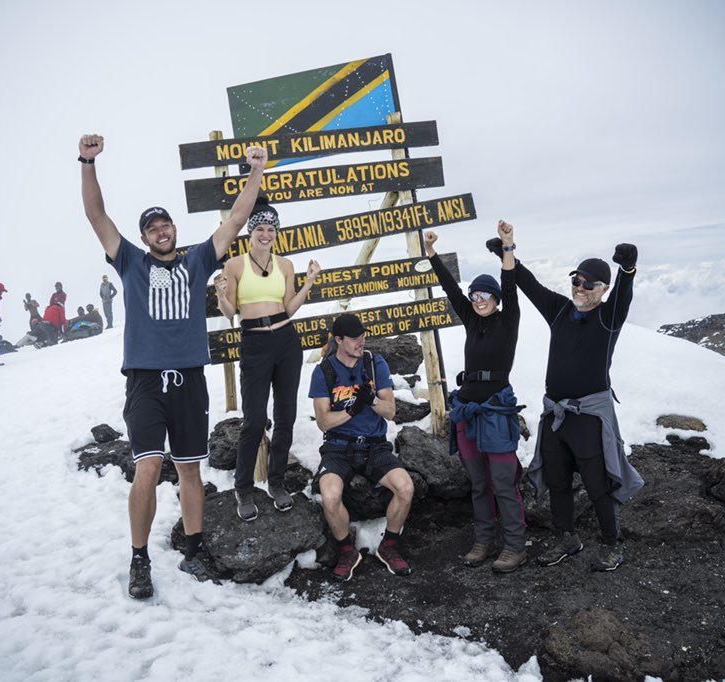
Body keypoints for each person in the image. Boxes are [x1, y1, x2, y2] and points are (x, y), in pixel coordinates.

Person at [79, 132, 267, 599]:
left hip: (189, 381)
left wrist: (256, 171)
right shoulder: (130, 263)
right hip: (145, 381)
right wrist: (87, 162)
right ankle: (139, 559)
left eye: (166, 225)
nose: (161, 231)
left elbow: (238, 217)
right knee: (147, 468)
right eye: (152, 228)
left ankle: (196, 547)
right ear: (144, 238)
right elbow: (96, 215)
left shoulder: (199, 260)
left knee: (189, 471)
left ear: (173, 230)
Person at [518, 240, 644, 572]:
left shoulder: (608, 317)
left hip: (588, 415)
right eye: (577, 280)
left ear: (604, 290)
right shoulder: (560, 309)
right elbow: (528, 284)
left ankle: (611, 544)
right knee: (558, 480)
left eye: (591, 284)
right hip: (556, 414)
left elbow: (624, 296)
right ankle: (566, 538)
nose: (582, 288)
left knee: (596, 482)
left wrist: (627, 268)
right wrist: (507, 252)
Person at [425, 221, 528, 573]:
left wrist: (508, 247)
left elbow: (511, 286)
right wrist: (432, 255)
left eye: (485, 296)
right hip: (467, 411)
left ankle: (515, 546)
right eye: (475, 296)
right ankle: (484, 541)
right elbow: (451, 289)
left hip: (497, 410)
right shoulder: (471, 319)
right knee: (478, 482)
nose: (478, 300)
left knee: (502, 482)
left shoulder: (508, 319)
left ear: (496, 299)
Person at [215, 195, 321, 521]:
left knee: (286, 415)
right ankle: (243, 487)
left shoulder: (286, 265)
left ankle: (276, 481)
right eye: (259, 228)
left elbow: (288, 307)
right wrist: (220, 293)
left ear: (277, 233)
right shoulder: (234, 265)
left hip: (287, 340)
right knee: (254, 420)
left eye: (270, 230)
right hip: (254, 342)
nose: (265, 234)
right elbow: (231, 312)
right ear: (251, 232)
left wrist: (310, 283)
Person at [309, 313, 414, 582]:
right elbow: (323, 422)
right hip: (337, 447)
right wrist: (355, 409)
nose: (361, 341)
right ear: (339, 340)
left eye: (363, 336)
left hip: (374, 446)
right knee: (330, 496)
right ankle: (346, 551)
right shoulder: (324, 371)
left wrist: (371, 402)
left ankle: (389, 545)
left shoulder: (374, 362)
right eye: (355, 338)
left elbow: (390, 411)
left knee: (405, 487)